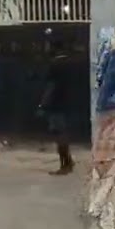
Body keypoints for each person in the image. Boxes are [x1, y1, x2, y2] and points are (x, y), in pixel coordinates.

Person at [38, 35, 78, 175]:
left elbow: (51, 86)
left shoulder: (55, 65)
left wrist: (43, 104)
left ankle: (65, 164)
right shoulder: (71, 63)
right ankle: (68, 162)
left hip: (56, 104)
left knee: (59, 134)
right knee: (63, 133)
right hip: (68, 102)